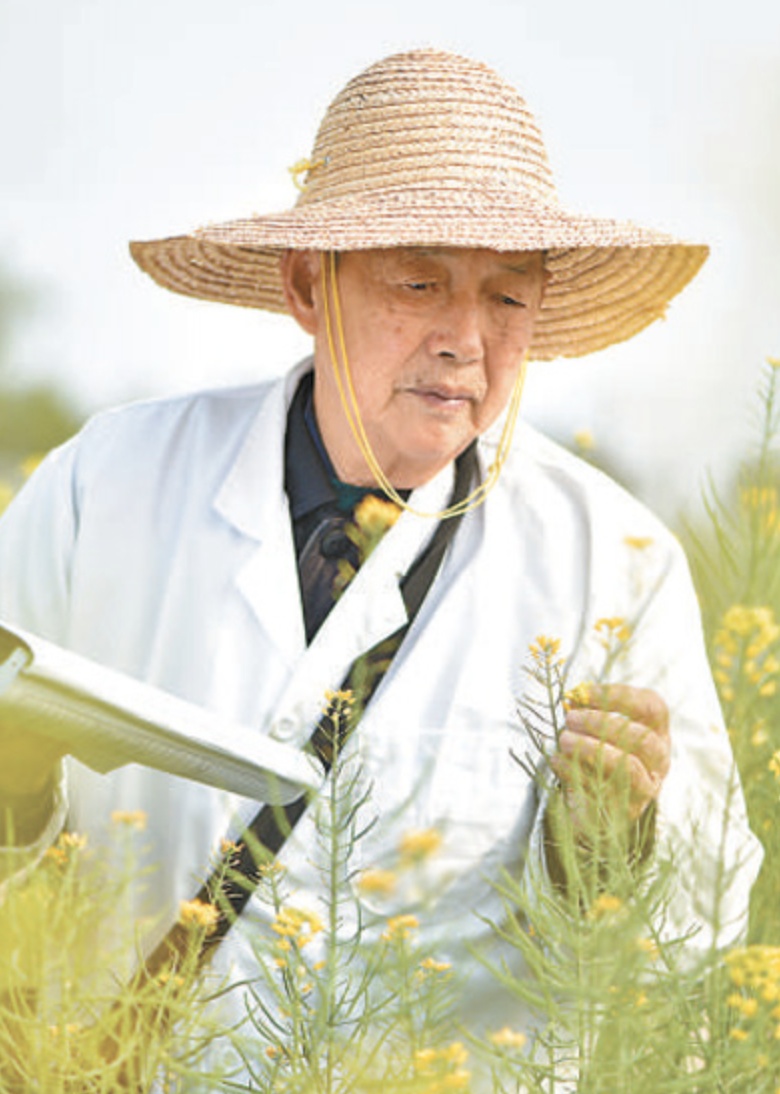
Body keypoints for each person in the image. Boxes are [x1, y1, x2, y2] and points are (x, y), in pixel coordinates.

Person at [0, 47, 763, 1084]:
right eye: (420, 282)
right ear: (309, 283)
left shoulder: (614, 561)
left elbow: (695, 926)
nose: (466, 340)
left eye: (508, 297)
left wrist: (606, 842)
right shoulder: (110, 481)